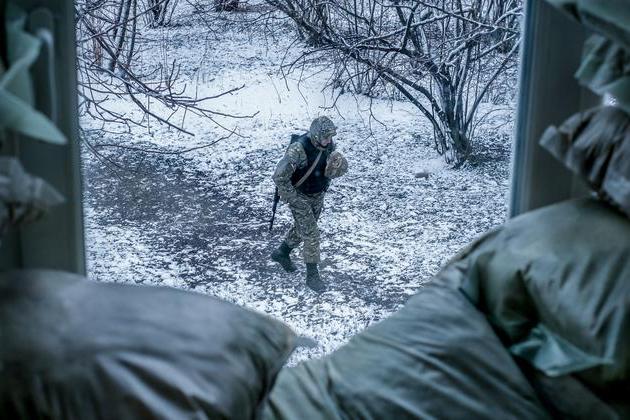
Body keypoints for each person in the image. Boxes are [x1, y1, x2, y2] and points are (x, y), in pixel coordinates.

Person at [271, 116, 348, 292]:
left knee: (303, 228)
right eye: (326, 137)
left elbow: (329, 169)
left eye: (330, 136)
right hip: (299, 196)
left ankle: (281, 253)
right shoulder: (298, 149)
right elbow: (279, 177)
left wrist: (337, 166)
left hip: (317, 195)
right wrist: (294, 200)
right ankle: (312, 276)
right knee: (312, 234)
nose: (329, 140)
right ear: (316, 135)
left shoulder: (328, 145)